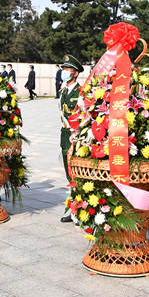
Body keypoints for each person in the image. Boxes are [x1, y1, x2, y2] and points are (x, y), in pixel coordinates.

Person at [59, 55, 83, 222]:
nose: (64, 72)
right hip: (65, 135)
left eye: (68, 69)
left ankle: (80, 210)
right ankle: (75, 209)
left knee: (77, 175)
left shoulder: (80, 92)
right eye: (64, 69)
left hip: (76, 137)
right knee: (69, 175)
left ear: (75, 73)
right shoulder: (64, 91)